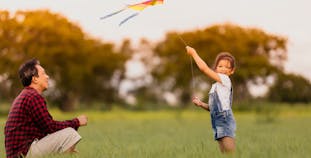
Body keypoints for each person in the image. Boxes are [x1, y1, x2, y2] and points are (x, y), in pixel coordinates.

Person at [4, 59, 88, 158]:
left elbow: (45, 128)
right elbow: (50, 127)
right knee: (70, 134)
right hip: (24, 153)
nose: (47, 77)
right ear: (35, 79)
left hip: (19, 153)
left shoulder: (25, 95)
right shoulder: (33, 96)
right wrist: (76, 122)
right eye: (44, 73)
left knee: (65, 137)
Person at [186, 46, 236, 153]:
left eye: (227, 67)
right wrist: (200, 104)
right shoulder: (215, 86)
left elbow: (204, 69)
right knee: (224, 152)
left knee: (230, 152)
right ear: (216, 68)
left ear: (232, 71)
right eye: (220, 66)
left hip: (224, 119)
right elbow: (213, 108)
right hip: (216, 120)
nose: (223, 69)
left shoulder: (225, 80)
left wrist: (194, 53)